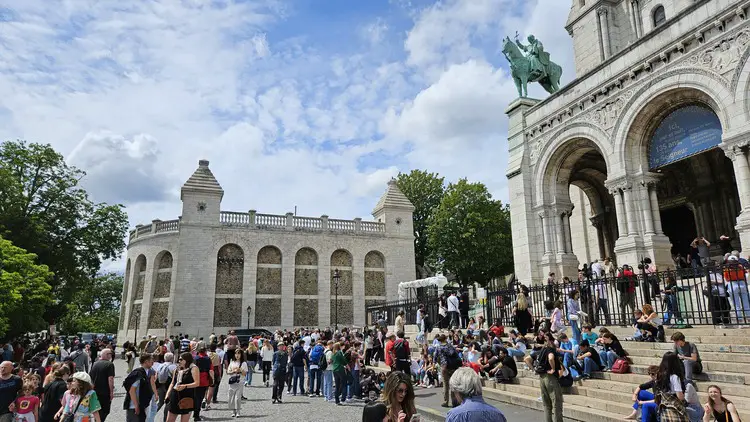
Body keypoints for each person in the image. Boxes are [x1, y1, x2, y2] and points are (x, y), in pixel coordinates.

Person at [653, 352, 689, 421]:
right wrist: (685, 401)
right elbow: (679, 396)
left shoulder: (659, 374)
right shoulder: (674, 377)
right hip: (674, 406)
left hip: (664, 404)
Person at [165, 353, 200, 422]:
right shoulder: (177, 369)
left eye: (181, 359)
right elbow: (172, 383)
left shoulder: (193, 368)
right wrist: (167, 394)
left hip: (186, 397)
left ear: (187, 360)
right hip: (175, 396)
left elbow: (197, 383)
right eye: (179, 359)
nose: (179, 361)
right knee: (169, 420)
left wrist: (185, 386)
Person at [537, 332, 563, 422]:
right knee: (556, 403)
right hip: (550, 378)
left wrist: (533, 369)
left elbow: (527, 359)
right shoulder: (550, 350)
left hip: (542, 377)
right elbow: (551, 358)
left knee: (547, 405)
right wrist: (553, 368)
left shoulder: (542, 351)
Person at [124, 354, 155, 422]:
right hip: (134, 407)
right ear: (146, 362)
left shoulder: (144, 372)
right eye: (151, 361)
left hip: (141, 406)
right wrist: (136, 406)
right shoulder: (138, 373)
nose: (153, 362)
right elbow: (132, 390)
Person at [434, 334, 462, 408]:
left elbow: (435, 358)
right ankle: (454, 402)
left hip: (444, 368)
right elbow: (454, 354)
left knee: (445, 385)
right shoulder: (449, 346)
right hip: (452, 367)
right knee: (453, 384)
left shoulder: (438, 347)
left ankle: (445, 402)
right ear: (445, 339)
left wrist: (438, 364)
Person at [88, 349, 114, 422]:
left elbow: (90, 378)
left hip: (95, 391)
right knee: (105, 411)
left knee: (97, 410)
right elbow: (110, 379)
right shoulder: (109, 364)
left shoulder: (95, 364)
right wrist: (111, 392)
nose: (111, 355)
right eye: (110, 354)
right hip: (105, 392)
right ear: (106, 355)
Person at [225, 348, 247, 418]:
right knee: (230, 398)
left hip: (240, 381)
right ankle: (233, 410)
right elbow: (228, 372)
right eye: (236, 353)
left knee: (238, 398)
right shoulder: (232, 362)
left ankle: (238, 411)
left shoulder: (244, 363)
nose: (237, 355)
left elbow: (245, 374)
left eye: (239, 353)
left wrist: (240, 370)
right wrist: (233, 371)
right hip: (232, 382)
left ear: (241, 355)